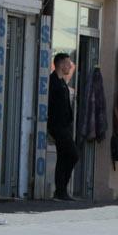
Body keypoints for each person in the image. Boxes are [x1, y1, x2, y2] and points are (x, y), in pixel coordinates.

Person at [47, 53, 78, 201]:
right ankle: (61, 190)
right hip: (57, 126)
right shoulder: (53, 82)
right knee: (73, 155)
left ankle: (61, 191)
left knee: (63, 157)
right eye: (67, 63)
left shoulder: (62, 82)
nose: (70, 66)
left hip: (65, 126)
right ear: (59, 64)